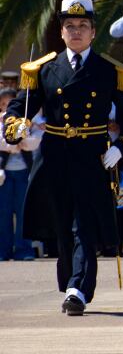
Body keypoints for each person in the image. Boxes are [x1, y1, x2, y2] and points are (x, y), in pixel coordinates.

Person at [3, 0, 123, 315]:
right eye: (69, 26)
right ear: (62, 32)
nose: (75, 31)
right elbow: (17, 110)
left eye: (82, 26)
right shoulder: (44, 70)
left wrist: (120, 148)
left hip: (92, 157)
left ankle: (78, 288)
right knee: (62, 226)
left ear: (93, 32)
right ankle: (70, 284)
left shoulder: (109, 71)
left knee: (84, 226)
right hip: (54, 157)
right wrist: (18, 126)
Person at [0, 87, 40, 261]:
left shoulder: (28, 121)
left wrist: (20, 140)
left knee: (23, 212)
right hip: (5, 173)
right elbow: (2, 142)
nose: (7, 107)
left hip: (24, 171)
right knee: (4, 213)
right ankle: (3, 250)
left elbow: (35, 142)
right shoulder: (1, 122)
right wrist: (14, 144)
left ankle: (24, 249)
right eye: (3, 104)